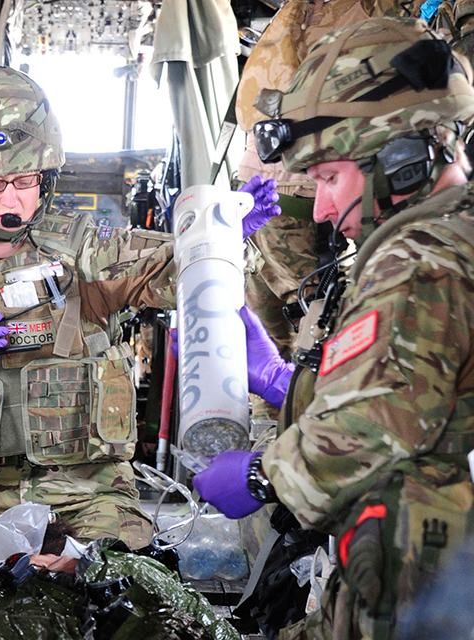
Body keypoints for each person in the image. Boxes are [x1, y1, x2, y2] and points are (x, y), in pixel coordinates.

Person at [0, 64, 281, 581]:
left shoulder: (85, 251)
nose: (9, 199)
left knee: (128, 587)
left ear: (46, 177)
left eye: (24, 181)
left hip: (92, 491)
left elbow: (179, 270)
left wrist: (226, 239)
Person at [192, 17, 474, 640]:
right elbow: (402, 389)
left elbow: (371, 427)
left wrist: (261, 475)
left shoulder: (418, 262)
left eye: (328, 179)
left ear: (401, 161)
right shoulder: (443, 238)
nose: (319, 209)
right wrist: (284, 382)